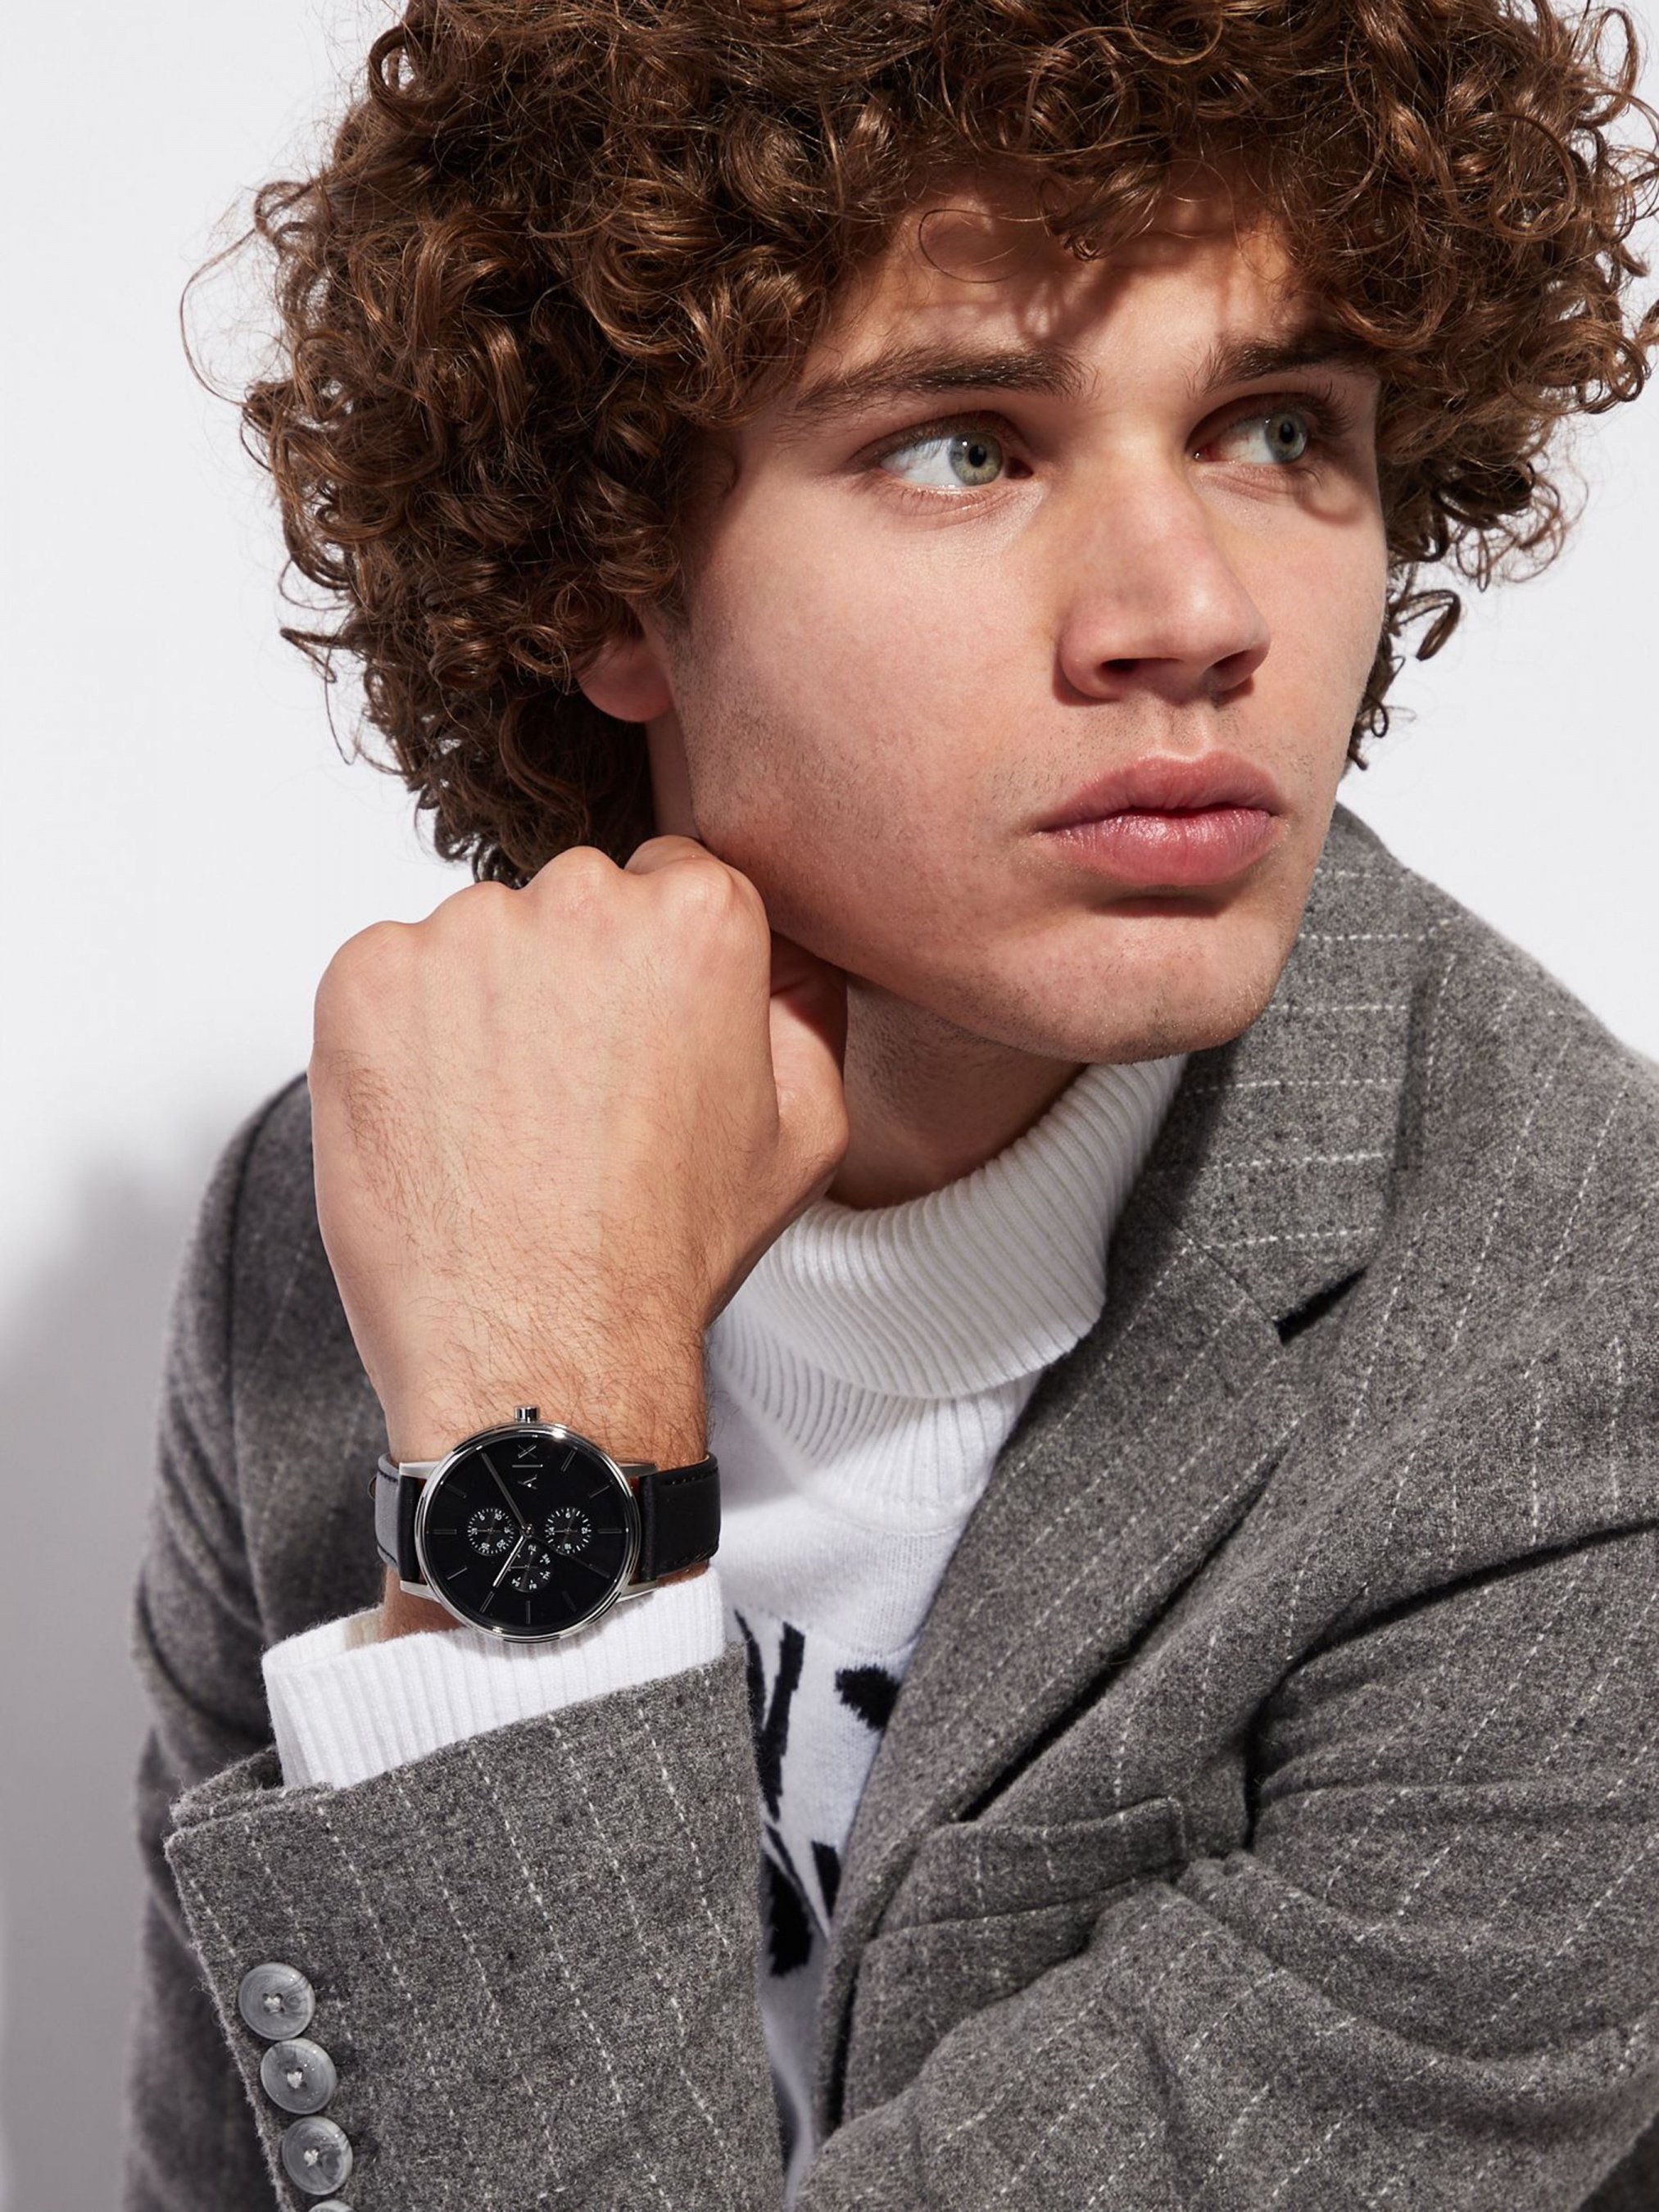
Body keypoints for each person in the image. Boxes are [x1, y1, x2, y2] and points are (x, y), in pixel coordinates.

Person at [125, 2, 1659, 2205]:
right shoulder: (328, 1218)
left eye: (1273, 428)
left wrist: (532, 1442)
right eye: (963, 446)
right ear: (607, 577)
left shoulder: (1580, 1364)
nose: (1192, 614)